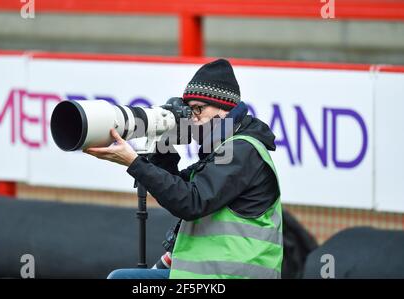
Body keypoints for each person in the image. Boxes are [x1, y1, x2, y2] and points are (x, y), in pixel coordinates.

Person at [83, 59, 283, 279]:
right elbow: (179, 189)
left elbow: (191, 202)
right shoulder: (223, 149)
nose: (193, 119)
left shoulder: (242, 149)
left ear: (225, 109)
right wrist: (163, 142)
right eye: (189, 111)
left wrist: (134, 163)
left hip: (232, 275)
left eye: (198, 109)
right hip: (206, 274)